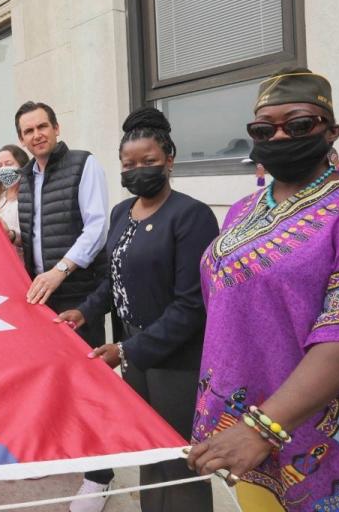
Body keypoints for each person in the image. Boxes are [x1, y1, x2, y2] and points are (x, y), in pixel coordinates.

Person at [186, 69, 339, 511]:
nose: (280, 136)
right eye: (264, 129)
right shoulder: (243, 211)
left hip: (329, 438)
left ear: (331, 131)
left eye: (299, 124)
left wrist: (263, 428)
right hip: (241, 434)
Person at [55, 108, 217, 512]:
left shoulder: (191, 215)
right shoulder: (121, 213)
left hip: (175, 362)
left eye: (148, 162)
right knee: (145, 455)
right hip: (135, 357)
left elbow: (191, 305)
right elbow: (113, 280)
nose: (137, 171)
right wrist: (85, 312)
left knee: (179, 463)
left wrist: (127, 350)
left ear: (169, 160)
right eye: (129, 164)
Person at [13, 101, 112, 510]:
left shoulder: (83, 164)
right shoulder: (24, 177)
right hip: (43, 298)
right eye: (28, 131)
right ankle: (74, 455)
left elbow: (97, 225)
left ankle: (99, 477)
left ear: (56, 128)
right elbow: (35, 233)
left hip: (78, 292)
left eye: (42, 127)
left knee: (91, 386)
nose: (36, 135)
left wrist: (61, 269)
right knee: (58, 385)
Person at [0, 144, 29, 259]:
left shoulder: (30, 195)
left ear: (21, 165)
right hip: (1, 260)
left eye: (8, 164)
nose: (3, 169)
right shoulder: (1, 197)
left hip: (23, 263)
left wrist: (10, 235)